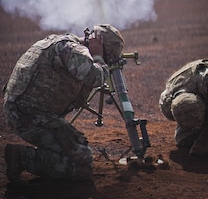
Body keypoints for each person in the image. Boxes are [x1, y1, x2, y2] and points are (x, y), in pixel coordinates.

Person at [3, 24, 124, 185]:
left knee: (79, 151)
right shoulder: (73, 50)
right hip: (27, 115)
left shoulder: (64, 43)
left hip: (30, 112)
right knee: (80, 166)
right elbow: (96, 77)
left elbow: (77, 100)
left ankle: (39, 155)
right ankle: (21, 158)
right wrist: (99, 58)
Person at [159, 58, 208, 156]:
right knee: (184, 139)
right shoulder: (166, 105)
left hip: (207, 82)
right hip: (195, 85)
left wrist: (206, 136)